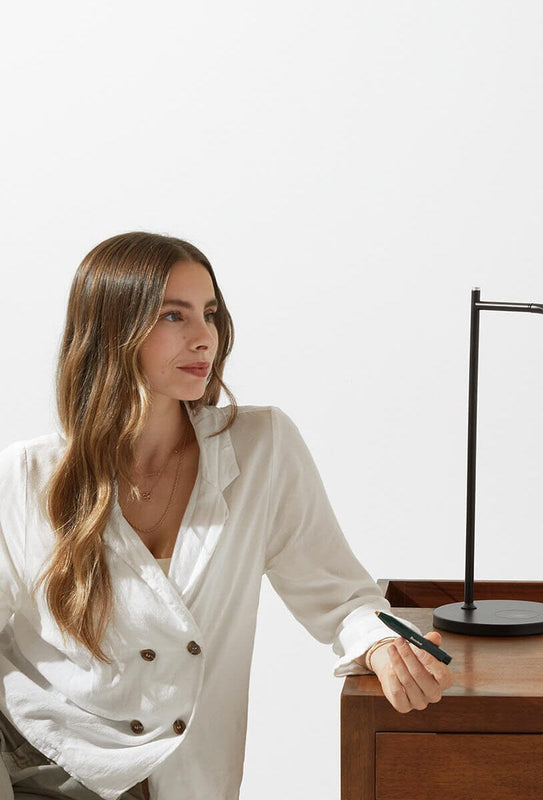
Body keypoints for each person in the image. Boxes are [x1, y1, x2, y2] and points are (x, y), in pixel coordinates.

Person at [0, 232, 454, 800]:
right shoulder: (27, 474)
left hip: (184, 779)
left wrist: (384, 644)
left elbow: (340, 595)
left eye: (210, 314)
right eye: (173, 315)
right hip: (40, 768)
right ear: (112, 330)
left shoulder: (261, 446)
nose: (203, 337)